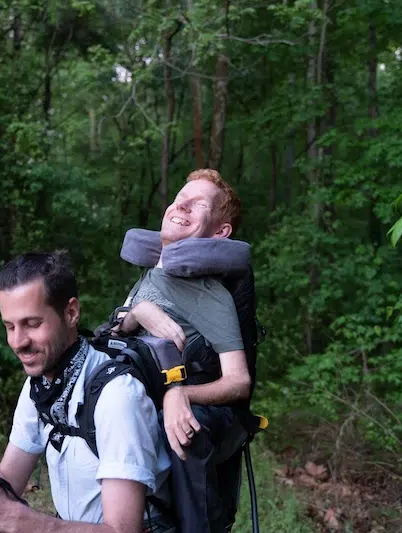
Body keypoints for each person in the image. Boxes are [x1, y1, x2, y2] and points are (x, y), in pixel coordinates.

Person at [0, 251, 173, 533]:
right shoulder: (42, 385)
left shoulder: (117, 397)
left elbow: (122, 531)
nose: (18, 342)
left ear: (71, 313)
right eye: (9, 326)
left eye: (32, 324)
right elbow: (8, 481)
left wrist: (13, 519)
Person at [112, 169, 252, 533]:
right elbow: (109, 344)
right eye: (180, 196)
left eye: (198, 203)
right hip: (129, 404)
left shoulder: (209, 294)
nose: (181, 204)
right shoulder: (151, 276)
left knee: (179, 434)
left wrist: (180, 394)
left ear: (220, 232)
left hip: (178, 411)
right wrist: (135, 313)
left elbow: (239, 381)